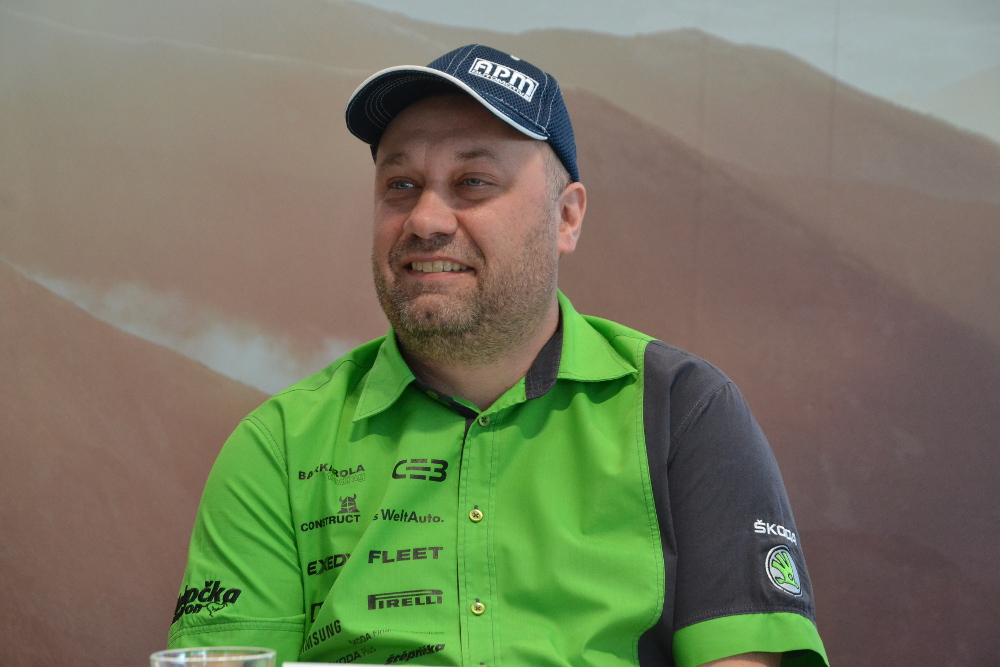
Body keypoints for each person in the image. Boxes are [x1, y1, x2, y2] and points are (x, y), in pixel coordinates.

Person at [167, 44, 828, 667]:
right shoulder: (279, 447)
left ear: (566, 217)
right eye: (400, 184)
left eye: (473, 181)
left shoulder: (684, 413)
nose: (425, 219)